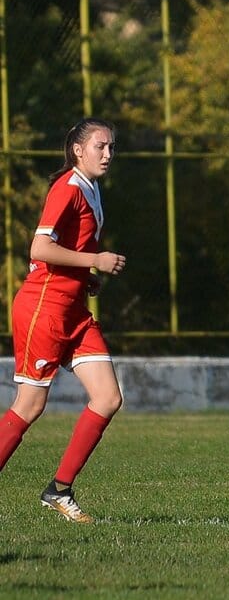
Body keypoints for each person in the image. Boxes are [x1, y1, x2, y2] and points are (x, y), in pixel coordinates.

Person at [0, 118, 127, 523]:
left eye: (111, 147)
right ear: (78, 150)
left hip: (73, 312)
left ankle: (58, 490)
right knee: (31, 404)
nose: (107, 154)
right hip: (44, 309)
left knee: (108, 398)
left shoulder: (91, 189)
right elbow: (40, 247)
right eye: (100, 147)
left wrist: (84, 277)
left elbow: (65, 250)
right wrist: (95, 260)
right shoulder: (67, 189)